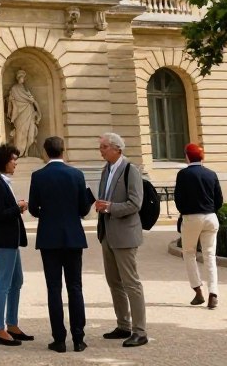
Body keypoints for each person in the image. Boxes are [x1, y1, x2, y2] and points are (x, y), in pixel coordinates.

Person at [28, 136, 95, 353]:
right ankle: (78, 338)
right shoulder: (76, 174)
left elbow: (33, 208)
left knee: (53, 289)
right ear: (63, 151)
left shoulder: (38, 176)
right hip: (73, 236)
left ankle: (59, 339)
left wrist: (46, 215)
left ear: (46, 152)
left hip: (49, 237)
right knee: (75, 288)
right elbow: (84, 210)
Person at [95, 132, 148, 347]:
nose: (101, 150)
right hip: (107, 233)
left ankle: (140, 331)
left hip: (125, 234)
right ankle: (123, 324)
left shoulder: (130, 170)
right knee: (114, 281)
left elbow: (136, 203)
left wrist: (109, 207)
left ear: (117, 148)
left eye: (104, 146)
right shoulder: (105, 170)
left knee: (131, 283)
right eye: (101, 146)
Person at [0, 143, 33, 346]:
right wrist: (18, 207)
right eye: (13, 159)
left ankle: (12, 324)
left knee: (16, 281)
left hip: (10, 239)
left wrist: (15, 207)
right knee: (3, 283)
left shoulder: (3, 181)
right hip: (3, 239)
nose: (15, 164)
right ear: (3, 161)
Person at [174, 142, 223, 310]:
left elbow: (178, 200)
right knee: (210, 255)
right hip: (211, 216)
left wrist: (186, 212)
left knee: (189, 253)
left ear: (187, 156)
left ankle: (198, 291)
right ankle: (213, 294)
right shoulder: (211, 174)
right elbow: (219, 200)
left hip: (191, 217)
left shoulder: (183, 174)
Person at [6, 69, 41, 156]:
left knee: (27, 131)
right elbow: (11, 101)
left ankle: (26, 152)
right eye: (21, 77)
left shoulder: (25, 89)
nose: (23, 79)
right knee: (20, 131)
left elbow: (31, 99)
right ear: (18, 78)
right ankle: (18, 151)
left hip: (28, 111)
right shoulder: (14, 88)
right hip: (19, 113)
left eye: (23, 77)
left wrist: (37, 110)